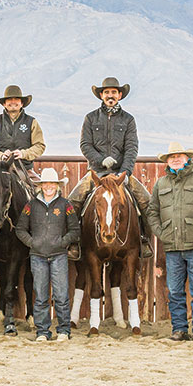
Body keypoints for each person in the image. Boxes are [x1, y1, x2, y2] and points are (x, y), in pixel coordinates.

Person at [68, 77, 153, 258]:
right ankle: (74, 242)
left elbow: (132, 147)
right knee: (73, 199)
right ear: (101, 95)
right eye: (107, 92)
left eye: (114, 92)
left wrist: (125, 172)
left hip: (120, 173)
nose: (110, 95)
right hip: (97, 173)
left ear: (120, 95)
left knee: (146, 200)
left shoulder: (128, 120)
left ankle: (144, 239)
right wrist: (100, 160)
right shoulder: (90, 118)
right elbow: (85, 144)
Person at [148, 142, 193, 341]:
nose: (175, 159)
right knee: (175, 292)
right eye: (172, 157)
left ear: (187, 158)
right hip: (172, 247)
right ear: (167, 161)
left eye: (179, 155)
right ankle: (179, 330)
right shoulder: (160, 184)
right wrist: (161, 233)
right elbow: (152, 212)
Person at [16, 167, 79, 342]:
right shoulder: (31, 206)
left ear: (57, 185)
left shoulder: (65, 205)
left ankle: (64, 330)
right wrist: (32, 242)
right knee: (41, 296)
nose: (49, 186)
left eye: (52, 183)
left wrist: (62, 242)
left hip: (59, 256)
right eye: (46, 183)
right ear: (41, 185)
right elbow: (20, 229)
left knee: (61, 296)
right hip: (38, 257)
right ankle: (42, 331)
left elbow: (75, 230)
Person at [0, 84, 46, 172]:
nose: (13, 101)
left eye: (16, 99)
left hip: (25, 169)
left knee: (41, 185)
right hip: (0, 168)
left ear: (22, 103)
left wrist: (23, 154)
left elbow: (40, 146)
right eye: (9, 99)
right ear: (4, 104)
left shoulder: (32, 122)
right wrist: (1, 156)